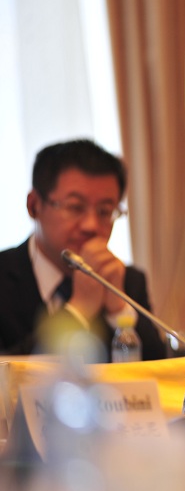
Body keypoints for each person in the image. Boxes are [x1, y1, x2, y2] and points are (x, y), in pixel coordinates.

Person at [0, 139, 165, 361]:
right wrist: (79, 309)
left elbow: (162, 371)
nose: (91, 225)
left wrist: (119, 310)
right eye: (75, 207)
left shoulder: (128, 281)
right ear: (34, 205)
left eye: (105, 211)